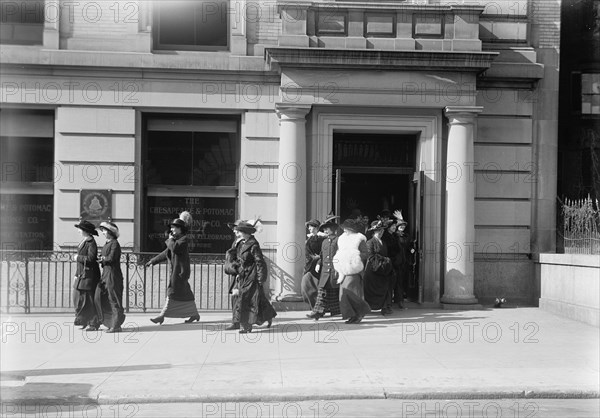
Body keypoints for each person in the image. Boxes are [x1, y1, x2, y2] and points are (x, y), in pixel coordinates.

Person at [145, 211, 200, 324]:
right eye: (172, 228)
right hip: (177, 272)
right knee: (185, 293)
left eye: (174, 228)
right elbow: (166, 253)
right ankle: (194, 314)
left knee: (172, 292)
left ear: (180, 229)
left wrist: (170, 239)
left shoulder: (183, 240)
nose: (172, 230)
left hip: (180, 272)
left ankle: (161, 315)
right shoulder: (175, 241)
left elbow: (174, 248)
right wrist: (152, 261)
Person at [226, 219, 277, 333]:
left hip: (252, 275)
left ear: (245, 232)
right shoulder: (242, 244)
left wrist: (260, 278)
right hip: (244, 275)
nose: (238, 233)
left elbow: (260, 262)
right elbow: (240, 260)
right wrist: (238, 272)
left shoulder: (253, 244)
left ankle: (246, 326)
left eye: (240, 231)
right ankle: (267, 316)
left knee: (245, 299)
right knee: (255, 299)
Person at [334, 218, 371, 324]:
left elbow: (365, 253)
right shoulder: (341, 239)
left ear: (351, 229)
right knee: (344, 294)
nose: (344, 230)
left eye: (346, 229)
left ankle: (359, 313)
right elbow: (339, 252)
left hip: (354, 269)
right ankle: (352, 315)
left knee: (353, 293)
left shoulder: (359, 239)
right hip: (343, 270)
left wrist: (355, 257)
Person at [306, 215, 341, 320]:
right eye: (324, 228)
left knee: (333, 292)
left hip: (335, 271)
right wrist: (318, 263)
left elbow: (341, 255)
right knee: (322, 291)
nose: (325, 230)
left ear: (333, 229)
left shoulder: (338, 240)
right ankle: (317, 312)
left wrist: (339, 268)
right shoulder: (324, 241)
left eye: (327, 228)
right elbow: (322, 255)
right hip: (325, 271)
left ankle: (334, 311)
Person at [94, 221, 126, 333]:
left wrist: (102, 259)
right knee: (102, 297)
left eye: (104, 230)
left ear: (110, 232)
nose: (102, 232)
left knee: (114, 299)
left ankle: (116, 325)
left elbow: (112, 258)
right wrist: (101, 258)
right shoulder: (108, 243)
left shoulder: (114, 244)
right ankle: (110, 322)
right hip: (106, 273)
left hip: (113, 275)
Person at [73, 220, 101, 331]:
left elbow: (91, 258)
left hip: (89, 275)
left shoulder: (91, 243)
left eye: (80, 229)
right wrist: (76, 274)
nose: (79, 231)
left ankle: (94, 323)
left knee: (89, 300)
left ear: (85, 231)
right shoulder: (85, 241)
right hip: (82, 275)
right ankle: (84, 320)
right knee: (80, 299)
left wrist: (77, 258)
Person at [363, 220, 395, 315]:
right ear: (374, 232)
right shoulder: (370, 242)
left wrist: (386, 262)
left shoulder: (383, 242)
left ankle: (385, 307)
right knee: (372, 289)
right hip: (373, 269)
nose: (381, 232)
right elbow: (371, 256)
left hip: (383, 269)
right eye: (379, 231)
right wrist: (384, 260)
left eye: (382, 230)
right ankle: (369, 307)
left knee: (385, 287)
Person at [300, 219, 326, 310]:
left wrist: (319, 259)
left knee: (317, 287)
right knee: (305, 286)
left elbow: (324, 252)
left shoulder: (323, 238)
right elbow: (308, 253)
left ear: (316, 228)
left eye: (311, 227)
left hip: (320, 265)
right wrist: (312, 258)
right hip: (310, 265)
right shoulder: (310, 238)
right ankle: (315, 306)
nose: (309, 228)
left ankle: (318, 308)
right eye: (309, 227)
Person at [392, 210, 414, 309]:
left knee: (401, 281)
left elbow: (408, 245)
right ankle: (394, 300)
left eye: (403, 226)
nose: (402, 228)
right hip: (395, 261)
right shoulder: (394, 235)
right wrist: (400, 219)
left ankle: (399, 300)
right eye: (400, 226)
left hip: (404, 261)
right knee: (394, 281)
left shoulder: (406, 236)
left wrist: (411, 249)